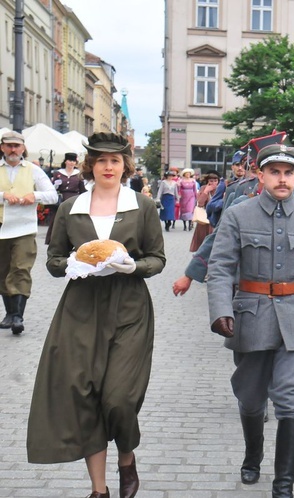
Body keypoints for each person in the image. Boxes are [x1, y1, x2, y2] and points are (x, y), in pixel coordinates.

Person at [26, 132, 166, 498]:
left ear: (125, 166)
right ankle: (99, 490)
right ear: (91, 165)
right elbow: (54, 260)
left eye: (115, 161)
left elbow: (157, 259)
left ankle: (127, 457)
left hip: (129, 305)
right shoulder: (71, 206)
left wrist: (130, 267)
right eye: (101, 160)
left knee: (119, 398)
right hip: (80, 308)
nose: (108, 166)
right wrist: (72, 262)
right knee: (84, 395)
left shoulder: (142, 205)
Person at [206, 143, 294, 497]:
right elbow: (219, 269)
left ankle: (284, 484)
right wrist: (221, 310)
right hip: (250, 318)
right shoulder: (238, 215)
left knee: (291, 401)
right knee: (250, 398)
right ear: (260, 175)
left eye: (288, 172)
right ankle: (252, 456)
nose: (282, 179)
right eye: (274, 172)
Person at [0, 131, 57, 334]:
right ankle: (9, 312)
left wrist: (35, 195)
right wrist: (2, 195)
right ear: (2, 148)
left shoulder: (33, 170)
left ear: (23, 148)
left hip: (24, 228)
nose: (13, 150)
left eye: (17, 146)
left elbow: (52, 196)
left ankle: (18, 316)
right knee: (3, 272)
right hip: (1, 227)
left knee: (21, 269)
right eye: (9, 146)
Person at [45, 152, 88, 245]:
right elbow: (52, 188)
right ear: (65, 161)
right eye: (69, 161)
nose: (71, 163)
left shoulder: (78, 174)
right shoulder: (58, 173)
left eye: (73, 161)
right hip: (61, 199)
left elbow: (82, 189)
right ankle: (54, 239)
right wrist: (56, 185)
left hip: (74, 199)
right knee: (57, 220)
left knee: (73, 220)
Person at [189, 170, 219, 252]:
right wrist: (206, 191)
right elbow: (200, 203)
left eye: (215, 181)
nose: (213, 183)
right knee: (203, 240)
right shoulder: (203, 188)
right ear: (207, 181)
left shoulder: (220, 190)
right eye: (211, 181)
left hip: (216, 218)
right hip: (204, 219)